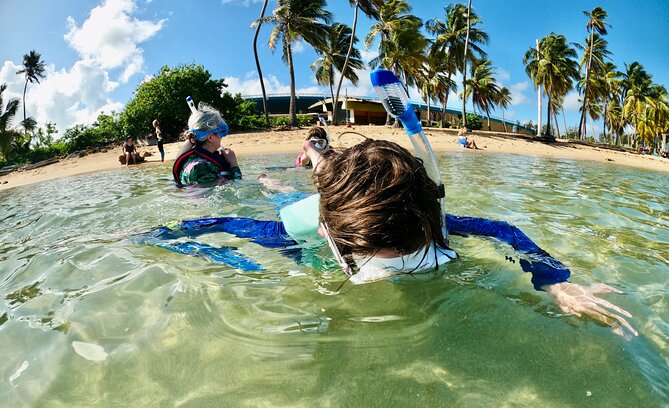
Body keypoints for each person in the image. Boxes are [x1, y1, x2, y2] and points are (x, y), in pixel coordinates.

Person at [142, 138, 636, 338]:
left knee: (325, 167)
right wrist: (148, 233)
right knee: (277, 195)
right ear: (331, 236)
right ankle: (302, 166)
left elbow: (506, 230)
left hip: (369, 205)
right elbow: (221, 223)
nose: (399, 265)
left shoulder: (430, 219)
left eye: (414, 253)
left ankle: (319, 156)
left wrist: (555, 282)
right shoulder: (299, 233)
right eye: (376, 259)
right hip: (309, 209)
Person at [172, 103, 242, 187]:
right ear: (211, 137)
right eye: (220, 134)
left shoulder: (198, 159)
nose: (221, 137)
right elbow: (236, 188)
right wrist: (234, 164)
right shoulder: (199, 168)